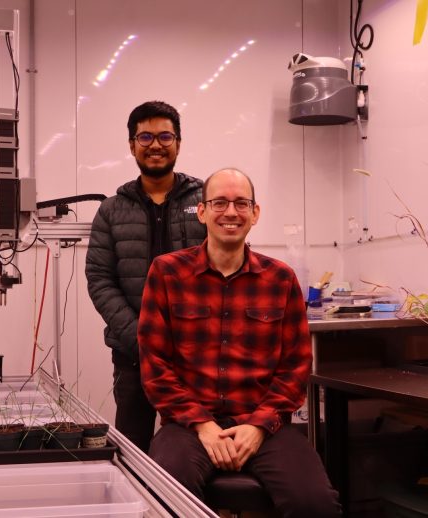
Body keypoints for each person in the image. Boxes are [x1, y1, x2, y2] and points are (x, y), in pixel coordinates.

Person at [138, 168, 341, 517]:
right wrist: (202, 425)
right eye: (219, 202)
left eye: (241, 203)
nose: (230, 212)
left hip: (264, 426)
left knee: (316, 505)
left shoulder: (280, 279)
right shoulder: (167, 273)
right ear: (202, 211)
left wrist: (258, 426)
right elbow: (155, 364)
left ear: (255, 213)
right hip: (188, 426)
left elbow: (295, 366)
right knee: (164, 496)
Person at [86, 101, 206, 453]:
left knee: (196, 447)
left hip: (198, 354)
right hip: (132, 356)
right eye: (146, 136)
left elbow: (227, 267)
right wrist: (141, 340)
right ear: (132, 145)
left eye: (165, 135)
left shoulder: (206, 200)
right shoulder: (111, 210)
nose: (156, 144)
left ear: (179, 142)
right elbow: (99, 279)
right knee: (133, 450)